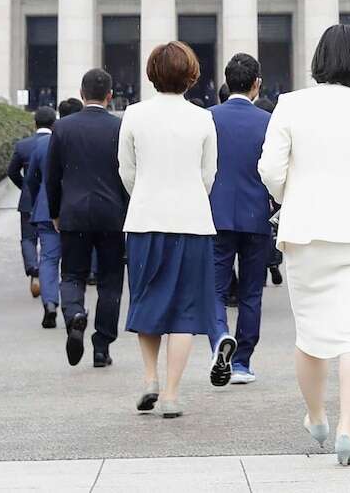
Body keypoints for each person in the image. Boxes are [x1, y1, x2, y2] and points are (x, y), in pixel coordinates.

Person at [256, 25, 350, 465]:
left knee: (311, 335)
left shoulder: (291, 104)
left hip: (305, 230)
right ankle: (347, 430)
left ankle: (317, 416)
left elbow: (269, 169)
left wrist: (290, 195)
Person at [118, 41, 219, 419]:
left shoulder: (133, 114)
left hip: (145, 218)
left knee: (147, 299)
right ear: (191, 74)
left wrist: (144, 193)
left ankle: (149, 378)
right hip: (192, 221)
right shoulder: (203, 118)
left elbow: (126, 170)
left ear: (152, 73)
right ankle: (173, 394)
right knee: (185, 310)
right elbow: (208, 174)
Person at [45, 68, 129, 369]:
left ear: (81, 94)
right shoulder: (120, 127)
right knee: (110, 281)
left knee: (71, 274)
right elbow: (128, 176)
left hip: (74, 213)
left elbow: (51, 177)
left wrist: (55, 211)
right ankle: (101, 346)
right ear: (110, 95)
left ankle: (75, 315)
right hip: (112, 215)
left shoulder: (63, 128)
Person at [206, 54, 273, 385]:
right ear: (257, 83)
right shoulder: (268, 122)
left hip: (215, 215)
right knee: (250, 292)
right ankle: (243, 361)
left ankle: (219, 336)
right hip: (257, 215)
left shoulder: (207, 118)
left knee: (215, 289)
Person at [7, 108, 56, 299]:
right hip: (51, 200)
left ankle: (33, 269)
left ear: (34, 124)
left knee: (28, 238)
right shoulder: (57, 143)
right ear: (54, 124)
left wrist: (25, 187)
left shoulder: (23, 145)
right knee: (50, 242)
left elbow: (12, 172)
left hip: (28, 199)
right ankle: (46, 273)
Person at [24, 107, 63, 328]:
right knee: (72, 264)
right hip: (72, 210)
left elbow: (31, 179)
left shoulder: (40, 145)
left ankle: (49, 304)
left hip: (46, 209)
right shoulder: (71, 141)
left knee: (48, 259)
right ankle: (72, 309)